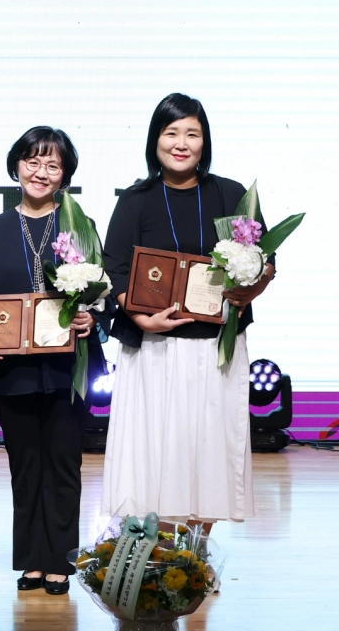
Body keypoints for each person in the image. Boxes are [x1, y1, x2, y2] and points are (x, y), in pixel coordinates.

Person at [102, 94, 274, 531]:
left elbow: (264, 261)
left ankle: (195, 555)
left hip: (216, 347)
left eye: (192, 134)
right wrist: (140, 318)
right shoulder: (136, 200)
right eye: (171, 132)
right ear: (155, 140)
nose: (181, 143)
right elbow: (115, 269)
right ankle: (158, 551)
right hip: (155, 350)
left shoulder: (230, 194)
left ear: (204, 141)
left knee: (210, 451)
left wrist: (251, 288)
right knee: (156, 453)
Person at [0, 127, 108, 595]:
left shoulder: (79, 229)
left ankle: (61, 561)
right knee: (24, 466)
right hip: (12, 372)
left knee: (63, 465)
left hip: (69, 371)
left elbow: (103, 298)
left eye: (52, 164)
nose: (41, 172)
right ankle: (30, 561)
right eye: (32, 161)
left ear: (65, 175)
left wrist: (91, 320)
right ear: (16, 166)